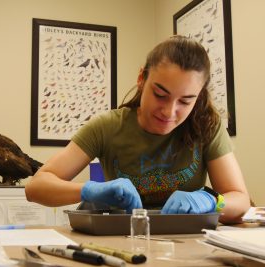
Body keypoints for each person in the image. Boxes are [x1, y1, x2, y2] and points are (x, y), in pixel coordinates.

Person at [25, 35, 250, 224]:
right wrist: (88, 190)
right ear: (142, 78)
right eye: (160, 95)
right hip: (126, 239)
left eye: (186, 101)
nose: (169, 112)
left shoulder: (207, 125)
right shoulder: (107, 127)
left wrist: (211, 201)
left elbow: (240, 200)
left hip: (190, 241)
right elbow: (35, 187)